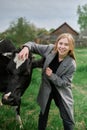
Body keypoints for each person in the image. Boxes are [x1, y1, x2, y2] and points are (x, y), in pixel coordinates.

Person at [18, 33, 76, 130]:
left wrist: (51, 76)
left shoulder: (71, 64)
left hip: (60, 91)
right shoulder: (50, 49)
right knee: (43, 114)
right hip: (47, 88)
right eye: (60, 43)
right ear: (57, 43)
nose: (62, 47)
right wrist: (26, 48)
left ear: (71, 47)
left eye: (66, 45)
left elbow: (65, 83)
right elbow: (34, 45)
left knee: (67, 117)